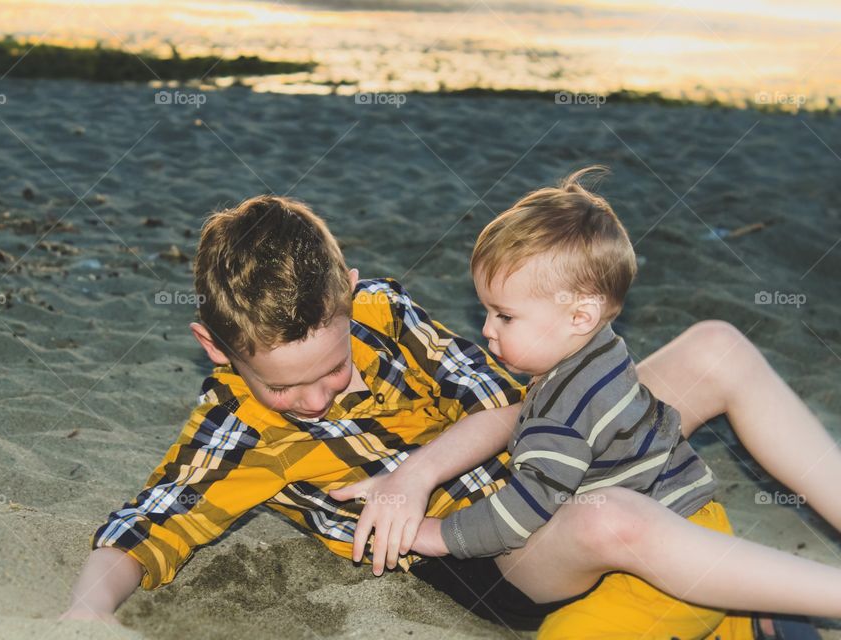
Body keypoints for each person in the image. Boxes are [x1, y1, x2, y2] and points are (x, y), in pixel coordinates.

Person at [61, 192, 835, 638]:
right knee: (614, 517)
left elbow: (512, 401)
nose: (320, 395)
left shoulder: (382, 313)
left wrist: (414, 470)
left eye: (335, 366)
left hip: (547, 450)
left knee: (716, 348)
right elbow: (144, 526)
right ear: (216, 348)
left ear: (350, 293)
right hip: (502, 556)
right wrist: (85, 613)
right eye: (287, 388)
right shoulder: (238, 430)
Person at [334, 168, 839, 638]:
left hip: (635, 561)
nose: (486, 329)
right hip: (689, 519)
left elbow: (523, 509)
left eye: (504, 316)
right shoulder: (599, 350)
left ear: (580, 316)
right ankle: (751, 615)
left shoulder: (562, 412)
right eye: (487, 311)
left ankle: (754, 606)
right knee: (711, 349)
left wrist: (439, 534)